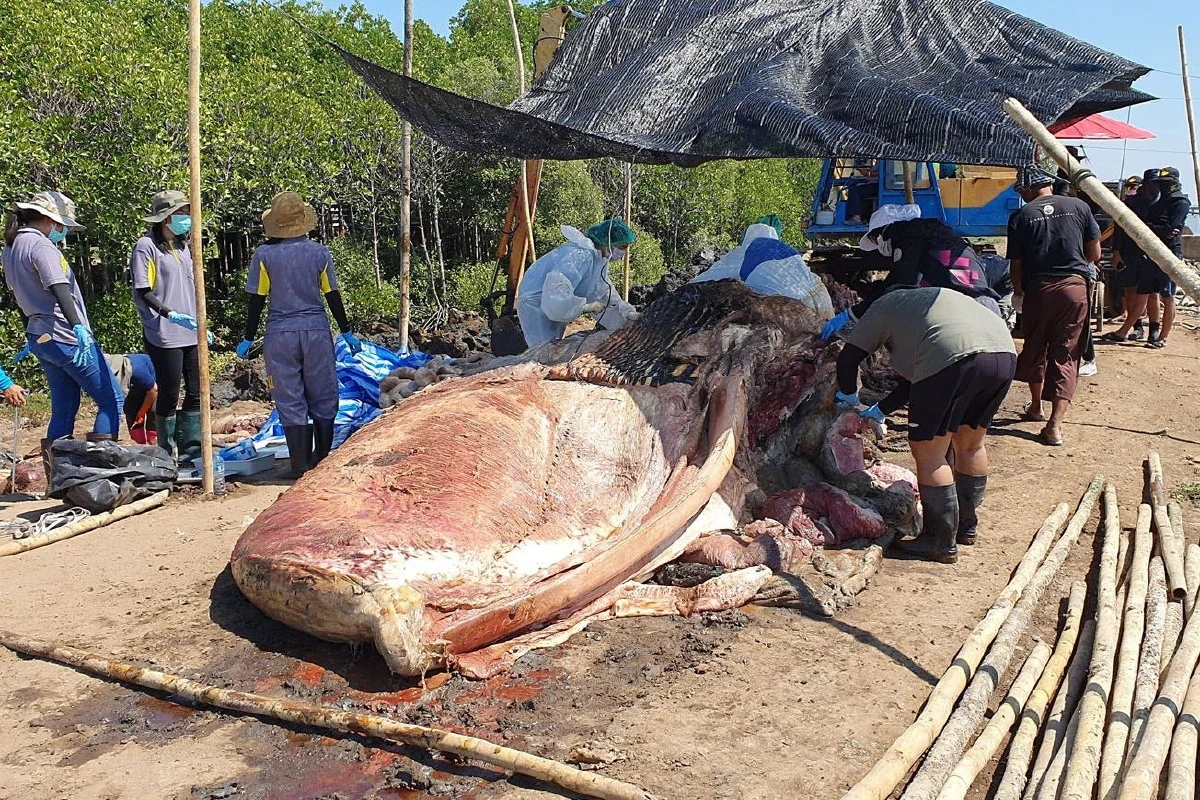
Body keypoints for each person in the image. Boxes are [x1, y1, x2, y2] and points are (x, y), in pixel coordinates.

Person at [835, 286, 1017, 564]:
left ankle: (939, 541)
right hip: (1003, 352)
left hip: (952, 356)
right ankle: (966, 527)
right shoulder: (920, 307)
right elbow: (922, 375)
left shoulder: (881, 308)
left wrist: (847, 397)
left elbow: (849, 357)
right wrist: (881, 409)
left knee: (929, 453)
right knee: (970, 443)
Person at [236, 192, 362, 478]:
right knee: (323, 391)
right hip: (316, 331)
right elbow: (332, 294)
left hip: (280, 334)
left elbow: (257, 299)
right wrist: (347, 331)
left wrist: (247, 336)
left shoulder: (264, 255)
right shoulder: (320, 253)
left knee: (289, 395)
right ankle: (321, 457)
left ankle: (300, 464)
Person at [2, 191, 123, 476]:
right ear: (48, 219)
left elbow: (19, 297)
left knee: (64, 407)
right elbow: (58, 287)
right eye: (60, 224)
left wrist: (31, 332)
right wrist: (78, 326)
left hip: (40, 335)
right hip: (64, 334)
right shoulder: (40, 245)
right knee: (110, 399)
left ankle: (59, 479)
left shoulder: (11, 247)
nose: (62, 230)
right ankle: (100, 475)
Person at [1007, 165, 1100, 447]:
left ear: (1027, 188)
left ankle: (1036, 406)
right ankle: (1054, 426)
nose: (1021, 195)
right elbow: (1093, 254)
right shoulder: (1079, 206)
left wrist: (1020, 293)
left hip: (1039, 290)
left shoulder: (1021, 216)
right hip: (1074, 289)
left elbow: (1017, 265)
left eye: (1021, 190)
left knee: (1036, 346)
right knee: (1067, 354)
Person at [821, 205, 1003, 339]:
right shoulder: (942, 239)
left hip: (966, 319)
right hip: (990, 314)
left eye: (875, 240)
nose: (878, 246)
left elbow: (897, 287)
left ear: (883, 231)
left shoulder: (907, 237)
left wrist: (850, 315)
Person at [129, 190, 209, 460]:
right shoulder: (146, 246)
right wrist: (169, 313)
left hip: (190, 330)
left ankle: (192, 450)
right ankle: (166, 450)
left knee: (197, 391)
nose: (187, 218)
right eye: (182, 213)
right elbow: (143, 290)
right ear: (166, 218)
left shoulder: (184, 247)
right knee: (170, 392)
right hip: (163, 331)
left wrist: (198, 322)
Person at [516, 217, 638, 348]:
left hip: (553, 306)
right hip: (537, 304)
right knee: (542, 350)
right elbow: (557, 289)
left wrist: (626, 313)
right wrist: (584, 307)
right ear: (608, 241)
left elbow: (603, 293)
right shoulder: (580, 255)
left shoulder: (598, 260)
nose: (623, 253)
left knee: (553, 348)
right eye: (622, 247)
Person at [1103, 168, 1161, 343]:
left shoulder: (1163, 203)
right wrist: (1116, 252)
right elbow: (1119, 229)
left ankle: (1154, 330)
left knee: (1152, 294)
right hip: (1129, 252)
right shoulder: (1130, 202)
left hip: (1153, 253)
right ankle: (1137, 327)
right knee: (1129, 290)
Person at [1138, 166, 1191, 348]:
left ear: (1175, 184)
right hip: (1153, 250)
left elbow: (1170, 229)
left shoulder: (1181, 202)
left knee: (1168, 296)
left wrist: (1155, 227)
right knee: (1151, 292)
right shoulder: (1159, 202)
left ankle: (1163, 337)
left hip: (1169, 253)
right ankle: (1154, 330)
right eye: (1161, 184)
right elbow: (1150, 225)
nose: (1163, 187)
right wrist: (1157, 227)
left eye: (1166, 184)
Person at [105, 353, 158, 445]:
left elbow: (153, 391)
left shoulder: (138, 372)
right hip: (134, 386)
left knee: (154, 411)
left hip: (154, 385)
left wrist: (141, 412)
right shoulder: (112, 364)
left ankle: (154, 444)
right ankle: (139, 444)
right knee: (131, 411)